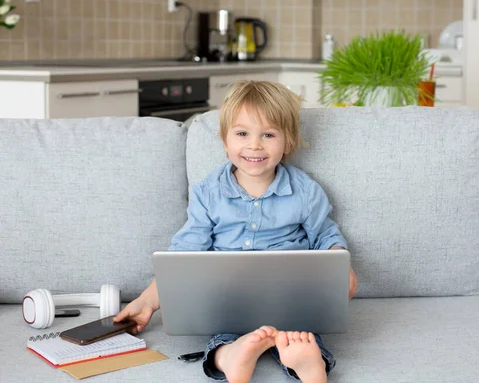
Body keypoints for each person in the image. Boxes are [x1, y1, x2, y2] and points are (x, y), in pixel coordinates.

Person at [114, 80, 358, 383]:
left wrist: (340, 264)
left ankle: (306, 362)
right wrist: (147, 301)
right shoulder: (207, 192)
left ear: (289, 141)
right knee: (222, 337)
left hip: (290, 301)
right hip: (227, 302)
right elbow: (184, 255)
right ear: (225, 140)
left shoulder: (306, 191)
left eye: (268, 135)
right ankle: (232, 355)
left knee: (302, 337)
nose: (254, 145)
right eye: (242, 134)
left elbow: (325, 235)